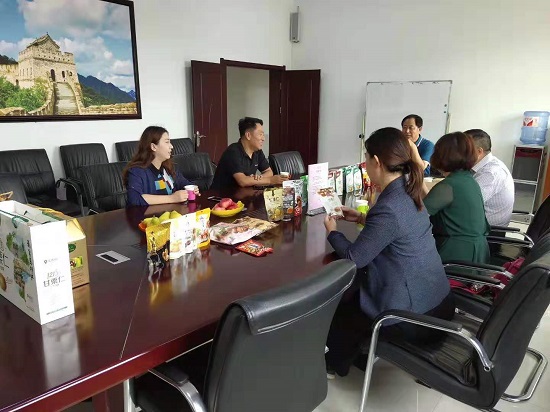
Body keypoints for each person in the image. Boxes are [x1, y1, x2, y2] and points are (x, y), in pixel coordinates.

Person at [323, 127, 454, 378]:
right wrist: (361, 217)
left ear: (376, 161)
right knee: (357, 292)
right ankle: (358, 352)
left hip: (415, 318)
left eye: (366, 158)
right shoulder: (408, 190)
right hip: (439, 303)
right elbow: (397, 228)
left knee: (347, 299)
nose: (364, 164)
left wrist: (332, 232)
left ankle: (334, 362)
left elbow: (353, 258)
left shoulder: (390, 206)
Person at [412, 132, 490, 263]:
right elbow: (432, 201)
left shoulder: (449, 186)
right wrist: (418, 179)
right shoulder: (467, 179)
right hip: (477, 252)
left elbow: (415, 218)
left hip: (456, 255)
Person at [123, 126, 199, 206]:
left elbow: (184, 183)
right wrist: (172, 198)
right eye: (167, 142)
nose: (171, 146)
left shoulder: (169, 167)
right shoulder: (136, 171)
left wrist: (193, 188)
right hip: (148, 214)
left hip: (172, 213)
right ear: (153, 147)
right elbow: (135, 199)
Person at [210, 117, 289, 189]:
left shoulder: (257, 151)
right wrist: (270, 180)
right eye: (260, 134)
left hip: (243, 195)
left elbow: (269, 172)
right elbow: (242, 181)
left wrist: (257, 179)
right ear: (248, 135)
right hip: (221, 196)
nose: (263, 138)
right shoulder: (233, 151)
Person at [465, 129, 515, 227]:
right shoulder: (485, 164)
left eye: (463, 149)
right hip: (477, 224)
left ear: (479, 151)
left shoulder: (490, 173)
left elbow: (464, 204)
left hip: (487, 231)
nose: (459, 153)